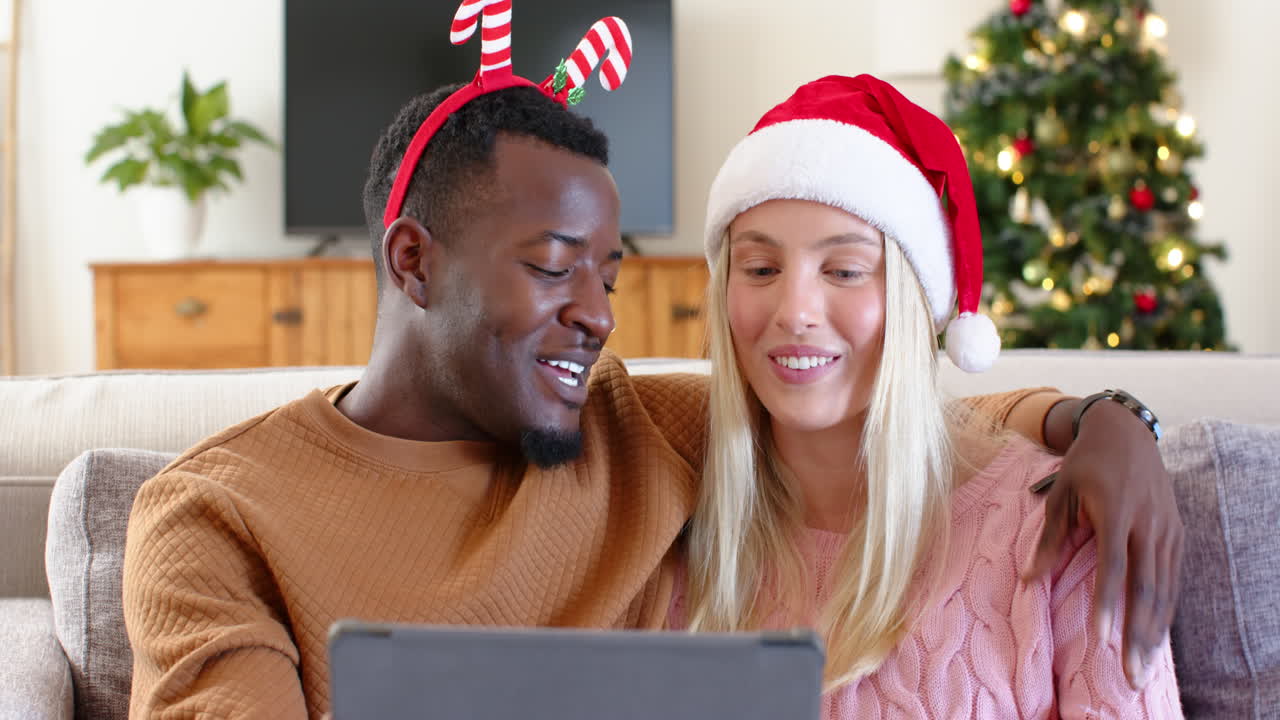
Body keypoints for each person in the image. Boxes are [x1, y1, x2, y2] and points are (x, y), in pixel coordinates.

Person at [122, 6, 1182, 718]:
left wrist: (1103, 420)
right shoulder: (211, 513)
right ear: (412, 262)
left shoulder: (631, 427)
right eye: (550, 268)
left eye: (608, 276)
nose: (594, 316)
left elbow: (871, 405)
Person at [670, 74, 1182, 718]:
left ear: (914, 307)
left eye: (846, 271)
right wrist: (1101, 415)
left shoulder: (1058, 530)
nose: (794, 311)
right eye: (761, 269)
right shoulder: (670, 518)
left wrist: (1114, 418)